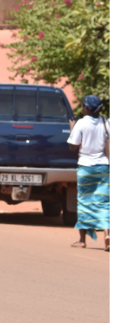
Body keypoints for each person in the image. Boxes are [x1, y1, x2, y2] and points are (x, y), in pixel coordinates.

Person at [67, 95, 110, 251]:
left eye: (83, 106)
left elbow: (72, 146)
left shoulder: (81, 123)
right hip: (103, 166)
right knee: (103, 202)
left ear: (86, 108)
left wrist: (73, 128)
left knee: (85, 202)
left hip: (86, 167)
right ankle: (108, 235)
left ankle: (82, 240)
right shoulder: (106, 122)